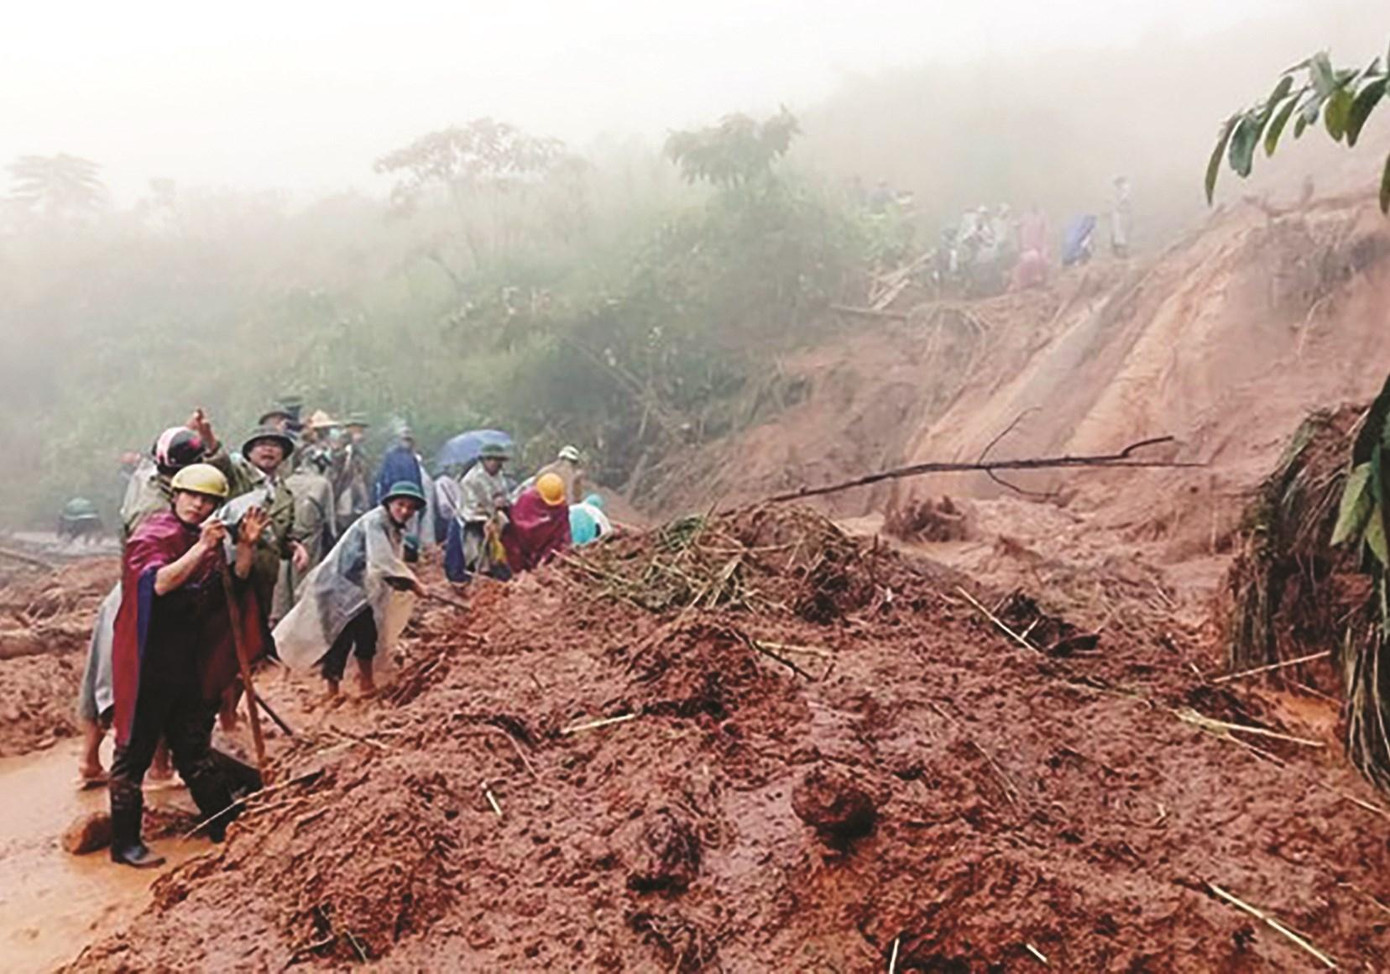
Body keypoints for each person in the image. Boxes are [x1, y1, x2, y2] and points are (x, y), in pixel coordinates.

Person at [108, 463, 267, 868]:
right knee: (133, 752)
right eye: (192, 496)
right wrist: (201, 548)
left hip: (188, 661)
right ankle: (125, 844)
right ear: (175, 495)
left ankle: (223, 823)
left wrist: (245, 548)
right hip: (148, 660)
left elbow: (229, 590)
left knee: (193, 746)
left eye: (208, 500)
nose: (198, 505)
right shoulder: (152, 535)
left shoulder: (207, 539)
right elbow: (157, 583)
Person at [77, 421, 210, 786]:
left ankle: (91, 759)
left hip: (126, 591)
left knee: (102, 676)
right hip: (146, 599)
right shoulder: (158, 508)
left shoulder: (145, 480)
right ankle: (157, 766)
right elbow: (158, 572)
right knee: (149, 679)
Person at [274, 481, 427, 699]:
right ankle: (333, 691)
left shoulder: (393, 528)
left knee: (367, 635)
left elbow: (387, 563)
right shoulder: (375, 521)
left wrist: (402, 581)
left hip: (358, 592)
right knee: (339, 639)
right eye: (400, 504)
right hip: (336, 587)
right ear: (389, 503)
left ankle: (366, 682)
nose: (405, 511)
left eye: (410, 507)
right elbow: (382, 561)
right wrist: (413, 583)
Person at [278, 448, 339, 617]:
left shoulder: (287, 481)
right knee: (306, 583)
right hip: (310, 539)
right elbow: (330, 519)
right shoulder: (323, 484)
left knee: (284, 585)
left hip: (286, 539)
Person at [447, 442, 513, 582]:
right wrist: (486, 517)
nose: (495, 463)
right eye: (492, 459)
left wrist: (502, 502)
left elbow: (504, 494)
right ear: (484, 460)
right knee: (472, 553)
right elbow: (471, 505)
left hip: (492, 518)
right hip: (471, 520)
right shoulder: (472, 479)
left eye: (498, 460)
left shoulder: (499, 476)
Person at [504, 473, 572, 574]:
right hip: (522, 552)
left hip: (549, 556)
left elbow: (562, 533)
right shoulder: (526, 501)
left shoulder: (561, 508)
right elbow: (517, 527)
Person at [536, 445, 588, 511]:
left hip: (540, 509)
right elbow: (576, 498)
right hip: (562, 510)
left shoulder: (543, 471)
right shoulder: (575, 475)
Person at [1110, 175, 1132, 258]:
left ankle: (1122, 250)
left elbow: (1124, 202)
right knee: (1118, 232)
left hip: (1122, 216)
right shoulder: (1118, 194)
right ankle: (1119, 250)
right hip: (1118, 215)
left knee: (1122, 232)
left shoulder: (1125, 194)